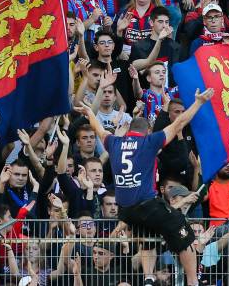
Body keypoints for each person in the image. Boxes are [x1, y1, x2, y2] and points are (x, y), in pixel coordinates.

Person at [82, 86, 214, 286]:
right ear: (148, 131)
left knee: (147, 234)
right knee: (184, 232)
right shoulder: (149, 142)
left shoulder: (115, 142)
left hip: (125, 210)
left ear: (129, 130)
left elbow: (99, 130)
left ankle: (149, 278)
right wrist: (198, 102)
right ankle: (193, 281)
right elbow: (179, 123)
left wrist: (90, 113)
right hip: (146, 204)